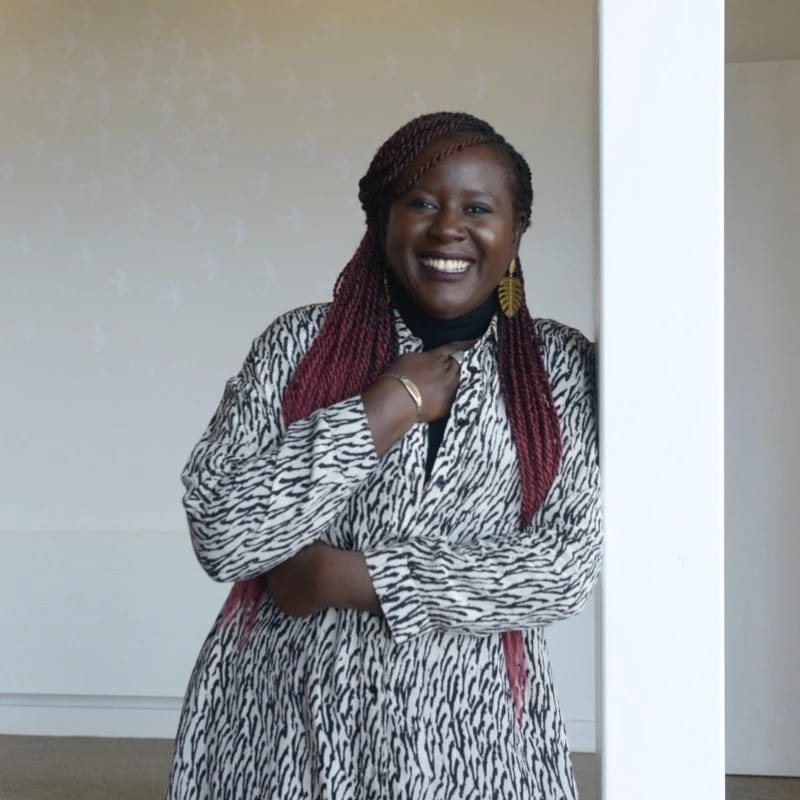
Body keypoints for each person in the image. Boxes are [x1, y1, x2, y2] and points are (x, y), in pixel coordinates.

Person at [167, 111, 602, 800]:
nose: (448, 227)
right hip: (288, 720)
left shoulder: (559, 368)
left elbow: (561, 569)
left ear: (515, 231)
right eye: (422, 202)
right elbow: (223, 533)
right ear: (381, 218)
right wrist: (386, 406)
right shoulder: (297, 346)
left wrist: (352, 578)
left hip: (473, 732)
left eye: (479, 208)